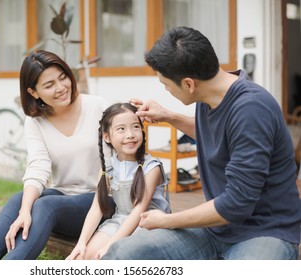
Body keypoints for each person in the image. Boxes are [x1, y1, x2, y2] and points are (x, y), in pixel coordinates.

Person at [102, 26, 301, 260]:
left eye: (166, 84)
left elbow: (235, 204)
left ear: (188, 84)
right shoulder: (210, 96)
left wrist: (168, 220)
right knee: (125, 253)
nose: (165, 89)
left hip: (265, 231)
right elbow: (222, 135)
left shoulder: (251, 109)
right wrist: (169, 116)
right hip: (216, 228)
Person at [0, 50, 109, 260]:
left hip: (103, 201)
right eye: (49, 85)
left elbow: (114, 166)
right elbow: (38, 166)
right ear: (33, 92)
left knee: (45, 204)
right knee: (20, 200)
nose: (61, 88)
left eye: (63, 78)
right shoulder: (36, 122)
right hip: (64, 197)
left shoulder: (98, 106)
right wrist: (25, 211)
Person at [66, 103, 170, 260]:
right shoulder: (108, 167)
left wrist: (110, 245)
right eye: (121, 129)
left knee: (111, 257)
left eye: (135, 127)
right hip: (120, 219)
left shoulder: (151, 168)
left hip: (149, 224)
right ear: (106, 136)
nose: (130, 134)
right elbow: (97, 209)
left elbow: (138, 211)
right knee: (83, 257)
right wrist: (81, 243)